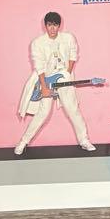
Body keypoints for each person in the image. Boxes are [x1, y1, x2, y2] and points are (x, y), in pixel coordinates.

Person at [14, 11, 96, 154]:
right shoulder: (37, 43)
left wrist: (66, 76)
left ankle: (84, 140)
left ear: (59, 25)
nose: (52, 28)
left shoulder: (68, 38)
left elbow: (73, 56)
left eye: (55, 25)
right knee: (43, 113)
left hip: (64, 77)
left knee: (73, 109)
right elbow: (39, 66)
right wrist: (44, 87)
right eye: (49, 25)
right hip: (45, 79)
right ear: (45, 26)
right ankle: (23, 142)